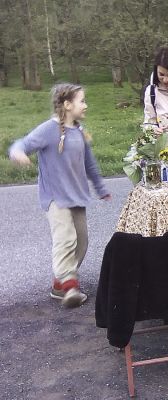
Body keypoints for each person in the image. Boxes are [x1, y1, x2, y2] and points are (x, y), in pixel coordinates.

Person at [9, 83, 111, 308]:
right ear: (67, 105)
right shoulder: (49, 129)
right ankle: (69, 286)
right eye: (82, 101)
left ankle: (59, 284)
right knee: (65, 239)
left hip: (77, 196)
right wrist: (18, 153)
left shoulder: (80, 131)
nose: (86, 105)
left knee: (81, 243)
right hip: (55, 197)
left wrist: (101, 188)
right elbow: (22, 144)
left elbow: (90, 164)